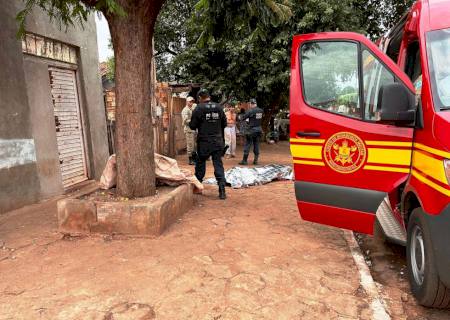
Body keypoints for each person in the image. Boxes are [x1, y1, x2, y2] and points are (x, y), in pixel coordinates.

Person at [189, 89, 227, 199]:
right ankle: (222, 190)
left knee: (200, 164)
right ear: (209, 96)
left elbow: (192, 126)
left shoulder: (199, 108)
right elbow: (224, 123)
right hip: (217, 141)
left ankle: (198, 187)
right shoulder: (219, 107)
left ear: (200, 98)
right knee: (218, 164)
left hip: (204, 142)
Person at [239, 98, 263, 165]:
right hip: (258, 130)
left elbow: (243, 117)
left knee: (248, 144)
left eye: (250, 104)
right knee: (256, 144)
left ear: (251, 104)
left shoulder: (251, 111)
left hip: (251, 130)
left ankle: (244, 160)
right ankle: (255, 161)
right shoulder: (261, 110)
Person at [181, 96, 197, 165]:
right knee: (190, 145)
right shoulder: (185, 110)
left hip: (193, 129)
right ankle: (190, 160)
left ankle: (194, 158)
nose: (191, 103)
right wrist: (193, 121)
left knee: (194, 145)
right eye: (190, 101)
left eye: (192, 101)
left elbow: (196, 106)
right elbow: (185, 120)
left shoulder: (192, 108)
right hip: (188, 129)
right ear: (187, 102)